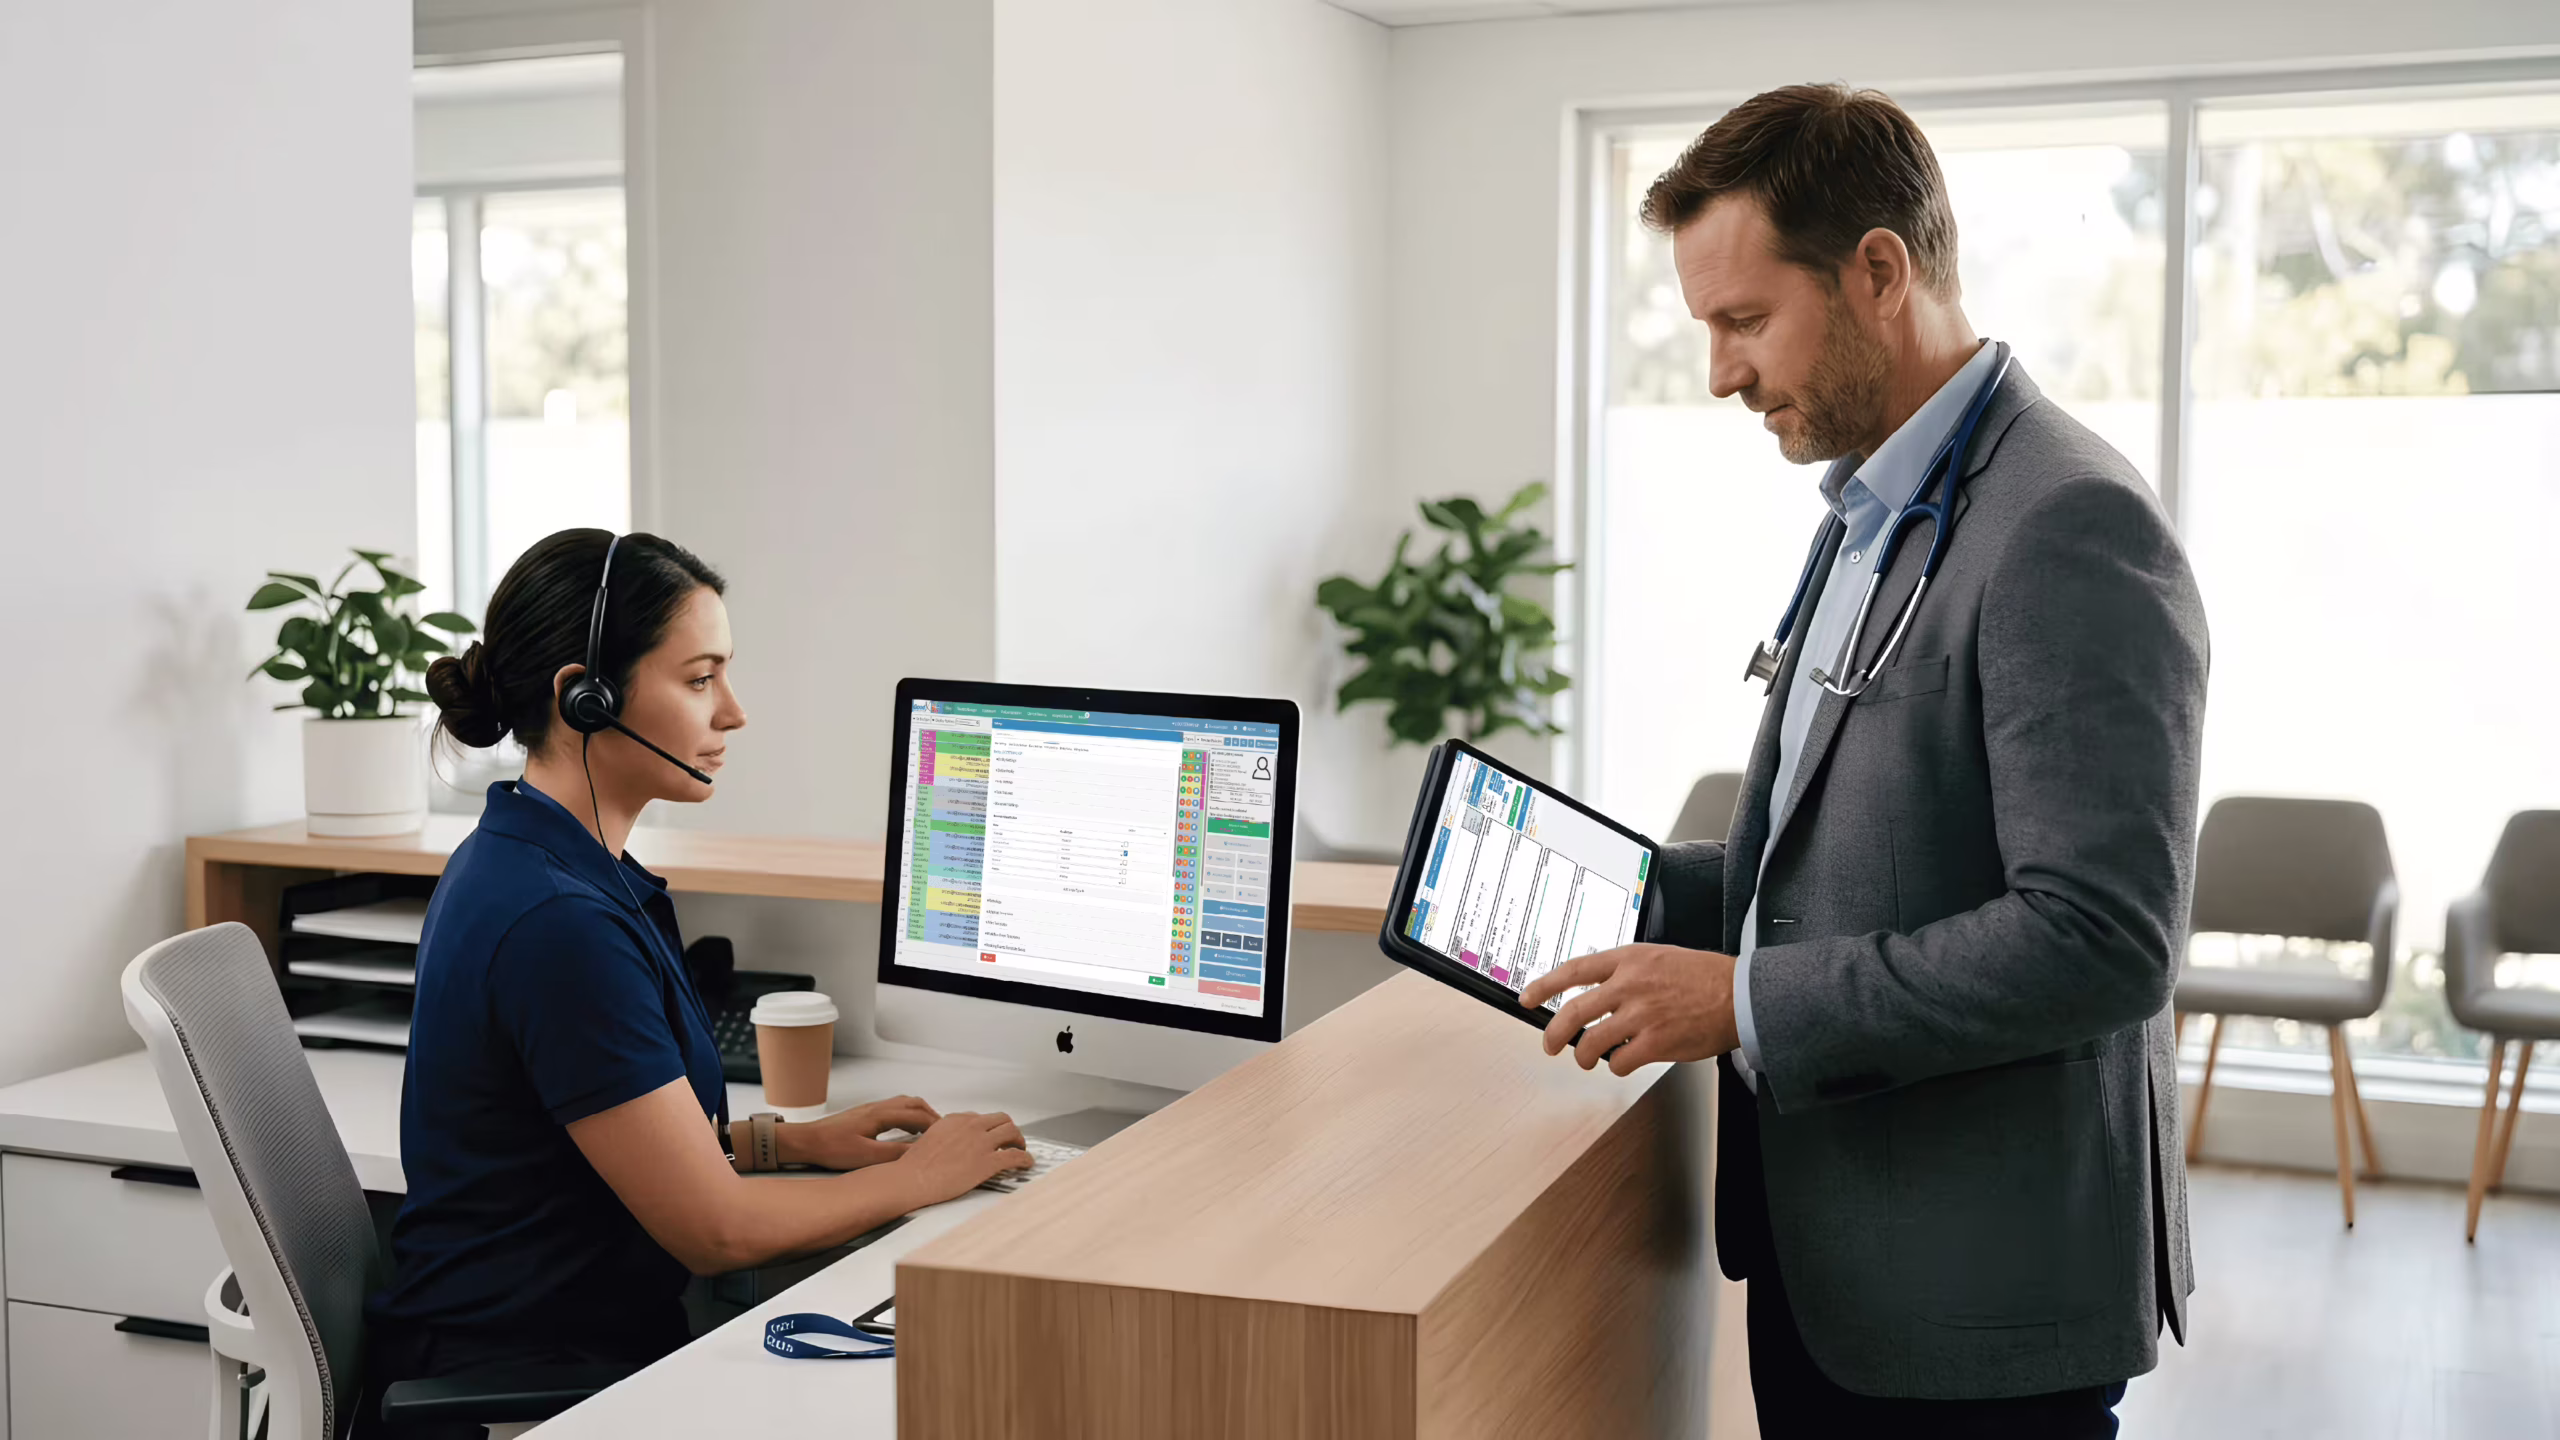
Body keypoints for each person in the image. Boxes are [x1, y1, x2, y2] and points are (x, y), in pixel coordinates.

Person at [1518, 85, 2206, 1437]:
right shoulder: (1870, 503)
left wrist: (1747, 1003)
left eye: (1743, 320)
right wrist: (1632, 893)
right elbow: (1866, 842)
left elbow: (2101, 940)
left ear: (1880, 272)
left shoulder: (2066, 522)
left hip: (1972, 1311)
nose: (1719, 372)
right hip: (1837, 1270)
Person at [362, 529, 1029, 1428]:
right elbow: (715, 1232)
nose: (733, 713)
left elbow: (583, 1137)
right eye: (699, 678)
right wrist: (924, 1177)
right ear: (585, 698)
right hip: (534, 1381)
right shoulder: (557, 922)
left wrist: (785, 1143)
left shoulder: (535, 860)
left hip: (553, 1342)